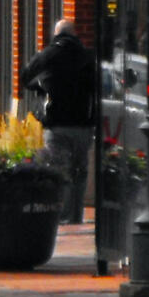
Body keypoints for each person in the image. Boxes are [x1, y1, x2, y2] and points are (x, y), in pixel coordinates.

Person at [22, 18, 99, 222]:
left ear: (56, 35)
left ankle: (63, 216)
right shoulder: (87, 57)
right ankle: (77, 214)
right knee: (80, 170)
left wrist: (42, 87)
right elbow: (98, 86)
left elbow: (25, 77)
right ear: (74, 35)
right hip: (83, 123)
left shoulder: (47, 55)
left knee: (59, 171)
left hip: (56, 123)